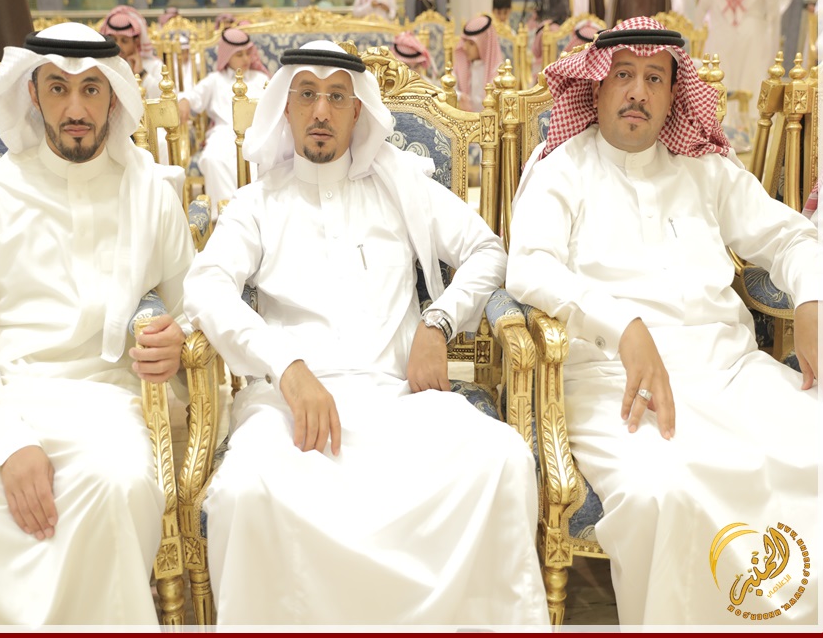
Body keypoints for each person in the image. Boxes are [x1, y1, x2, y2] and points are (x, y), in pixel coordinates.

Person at [182, 40, 550, 626]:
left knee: (501, 459)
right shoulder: (257, 204)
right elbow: (205, 288)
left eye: (337, 97)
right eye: (307, 95)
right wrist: (286, 367)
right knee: (245, 493)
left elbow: (487, 251)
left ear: (359, 111)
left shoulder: (400, 187)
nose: (320, 111)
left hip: (397, 401)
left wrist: (438, 320)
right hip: (292, 411)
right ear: (285, 108)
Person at [506, 16, 823, 626]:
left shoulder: (704, 168)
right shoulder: (561, 169)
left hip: (730, 373)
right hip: (616, 386)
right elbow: (529, 267)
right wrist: (621, 324)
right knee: (661, 493)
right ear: (596, 86)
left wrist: (811, 300)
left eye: (655, 78)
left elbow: (791, 236)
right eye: (623, 75)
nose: (638, 92)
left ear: (675, 95)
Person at [0, 22, 195, 625]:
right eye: (58, 88)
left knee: (118, 484)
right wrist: (8, 442)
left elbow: (195, 307)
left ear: (114, 96)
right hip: (0, 398)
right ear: (33, 94)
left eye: (91, 89)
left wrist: (180, 340)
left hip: (106, 404)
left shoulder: (151, 193)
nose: (75, 109)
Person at [178, 27, 270, 220]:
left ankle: (254, 217)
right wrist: (184, 101)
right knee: (212, 159)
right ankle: (226, 218)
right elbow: (193, 97)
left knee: (259, 161)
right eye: (239, 55)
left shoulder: (261, 79)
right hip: (222, 134)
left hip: (255, 133)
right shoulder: (215, 80)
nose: (246, 59)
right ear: (227, 56)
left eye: (248, 53)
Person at [695, 0, 793, 152]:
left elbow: (700, 11)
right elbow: (774, 8)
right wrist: (772, 38)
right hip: (752, 34)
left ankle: (714, 130)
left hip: (720, 35)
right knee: (748, 81)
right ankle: (747, 133)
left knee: (720, 79)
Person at [99, 4, 164, 98]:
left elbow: (166, 97)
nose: (118, 45)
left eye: (124, 41)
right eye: (113, 40)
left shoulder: (154, 65)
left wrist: (141, 73)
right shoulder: (102, 64)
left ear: (136, 41)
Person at [453, 14, 504, 112]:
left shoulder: (499, 71)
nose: (465, 47)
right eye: (465, 42)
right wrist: (460, 96)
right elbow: (448, 88)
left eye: (471, 44)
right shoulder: (462, 64)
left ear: (484, 45)